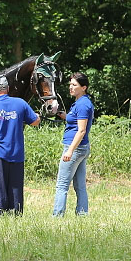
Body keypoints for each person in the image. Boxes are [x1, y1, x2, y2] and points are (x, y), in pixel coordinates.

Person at [0, 74, 41, 215]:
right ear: (8, 89)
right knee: (15, 186)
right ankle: (16, 213)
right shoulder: (20, 104)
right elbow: (35, 122)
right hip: (17, 154)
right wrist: (38, 116)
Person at [52, 72, 94, 216]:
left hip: (75, 148)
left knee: (62, 184)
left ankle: (57, 216)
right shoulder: (81, 102)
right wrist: (62, 115)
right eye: (70, 84)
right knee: (80, 185)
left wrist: (70, 151)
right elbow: (74, 120)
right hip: (81, 148)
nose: (70, 87)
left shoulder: (83, 105)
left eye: (74, 85)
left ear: (84, 87)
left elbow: (81, 130)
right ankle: (82, 214)